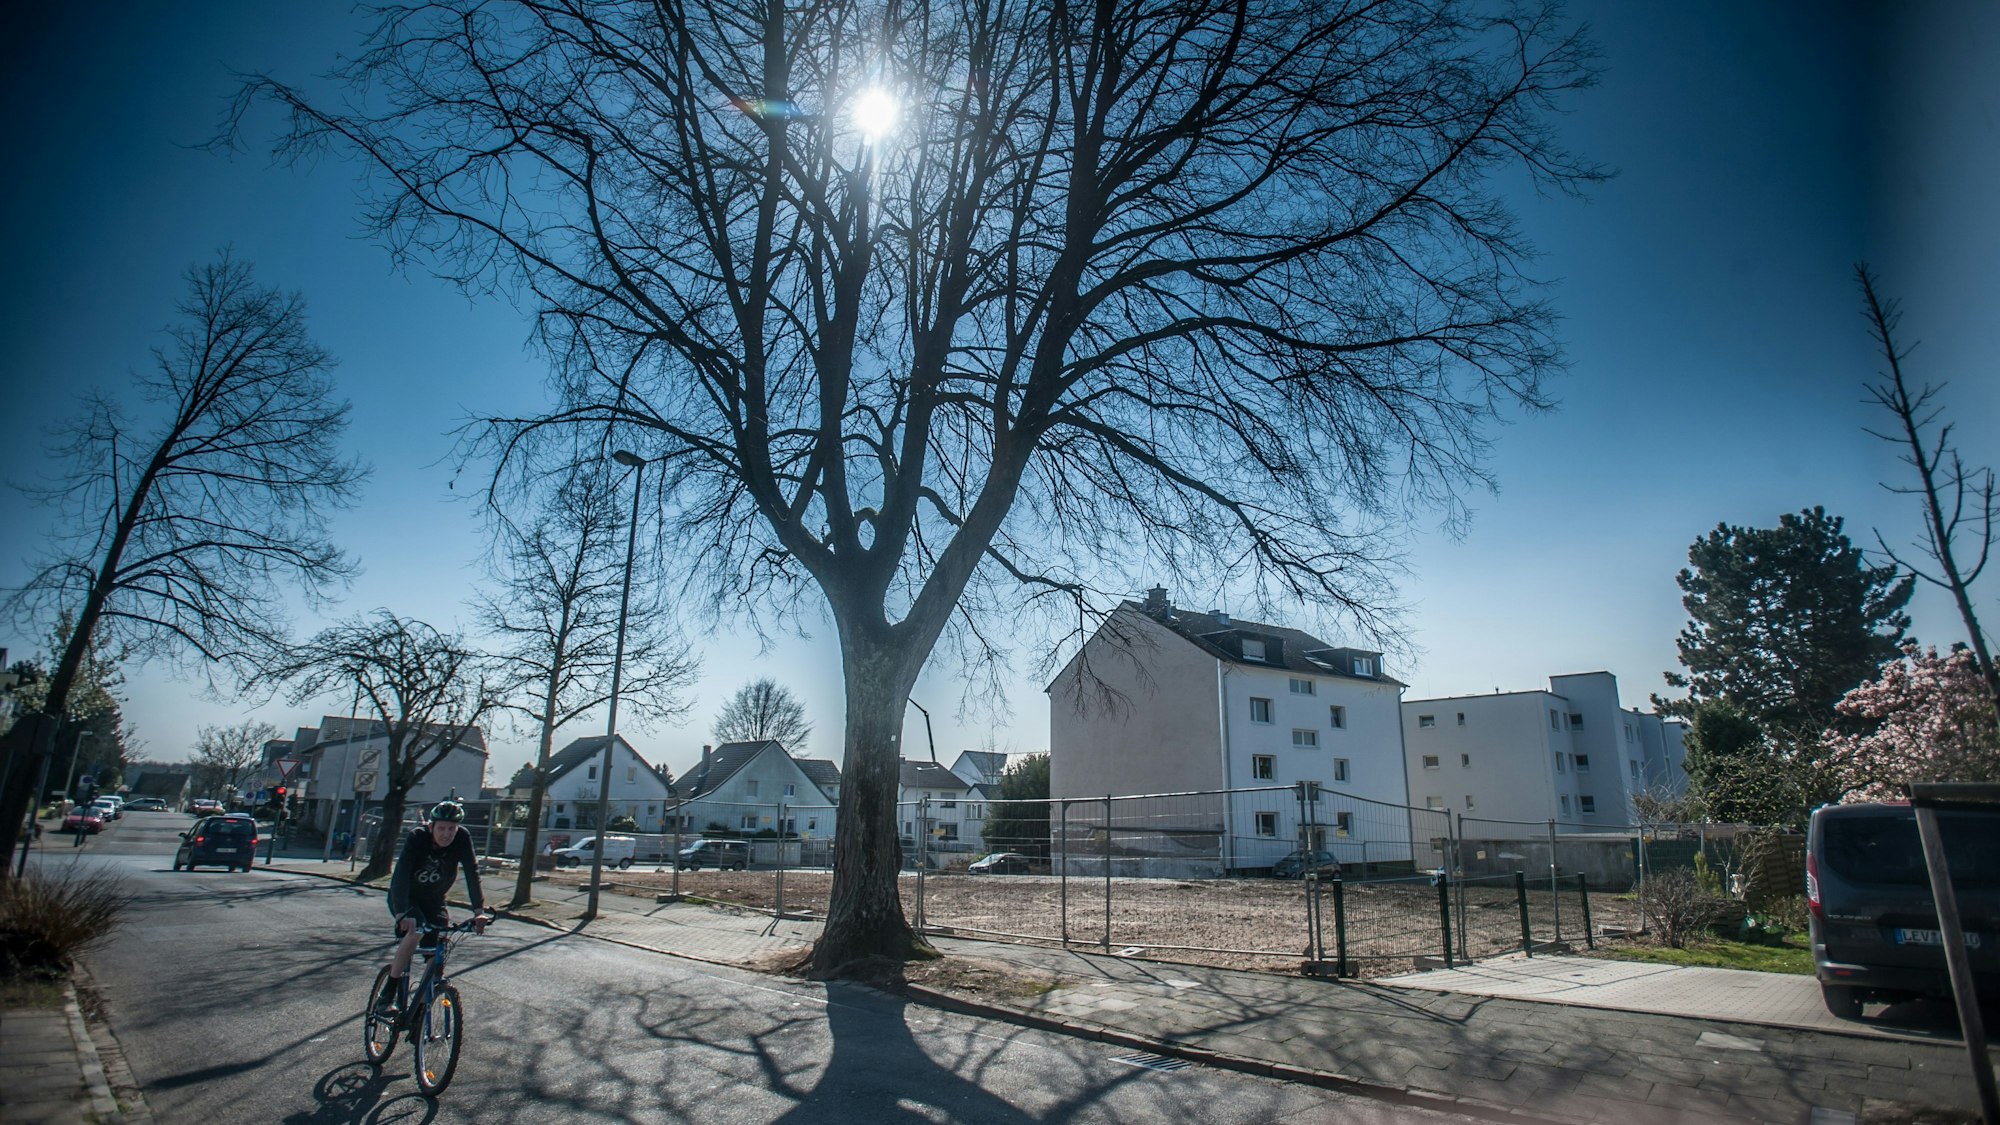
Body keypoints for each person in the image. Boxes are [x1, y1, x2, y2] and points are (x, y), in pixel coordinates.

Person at [374, 801, 488, 1015]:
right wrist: (402, 913)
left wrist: (478, 912)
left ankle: (423, 1003)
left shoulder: (462, 838)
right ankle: (388, 994)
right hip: (408, 899)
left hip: (434, 899)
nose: (447, 834)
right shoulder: (418, 838)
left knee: (437, 952)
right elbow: (400, 875)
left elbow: (472, 873)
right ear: (431, 827)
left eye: (451, 829)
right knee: (415, 932)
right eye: (442, 828)